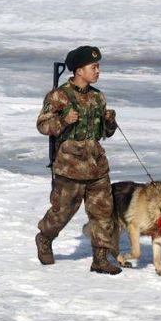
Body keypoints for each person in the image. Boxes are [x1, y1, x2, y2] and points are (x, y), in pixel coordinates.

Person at [35, 45, 121, 274]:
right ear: (79, 70)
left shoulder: (98, 97)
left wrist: (110, 122)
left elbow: (105, 133)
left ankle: (100, 259)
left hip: (97, 167)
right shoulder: (59, 96)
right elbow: (42, 125)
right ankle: (44, 238)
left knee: (102, 213)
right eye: (94, 67)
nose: (98, 71)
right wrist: (64, 120)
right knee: (62, 213)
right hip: (70, 168)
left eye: (98, 67)